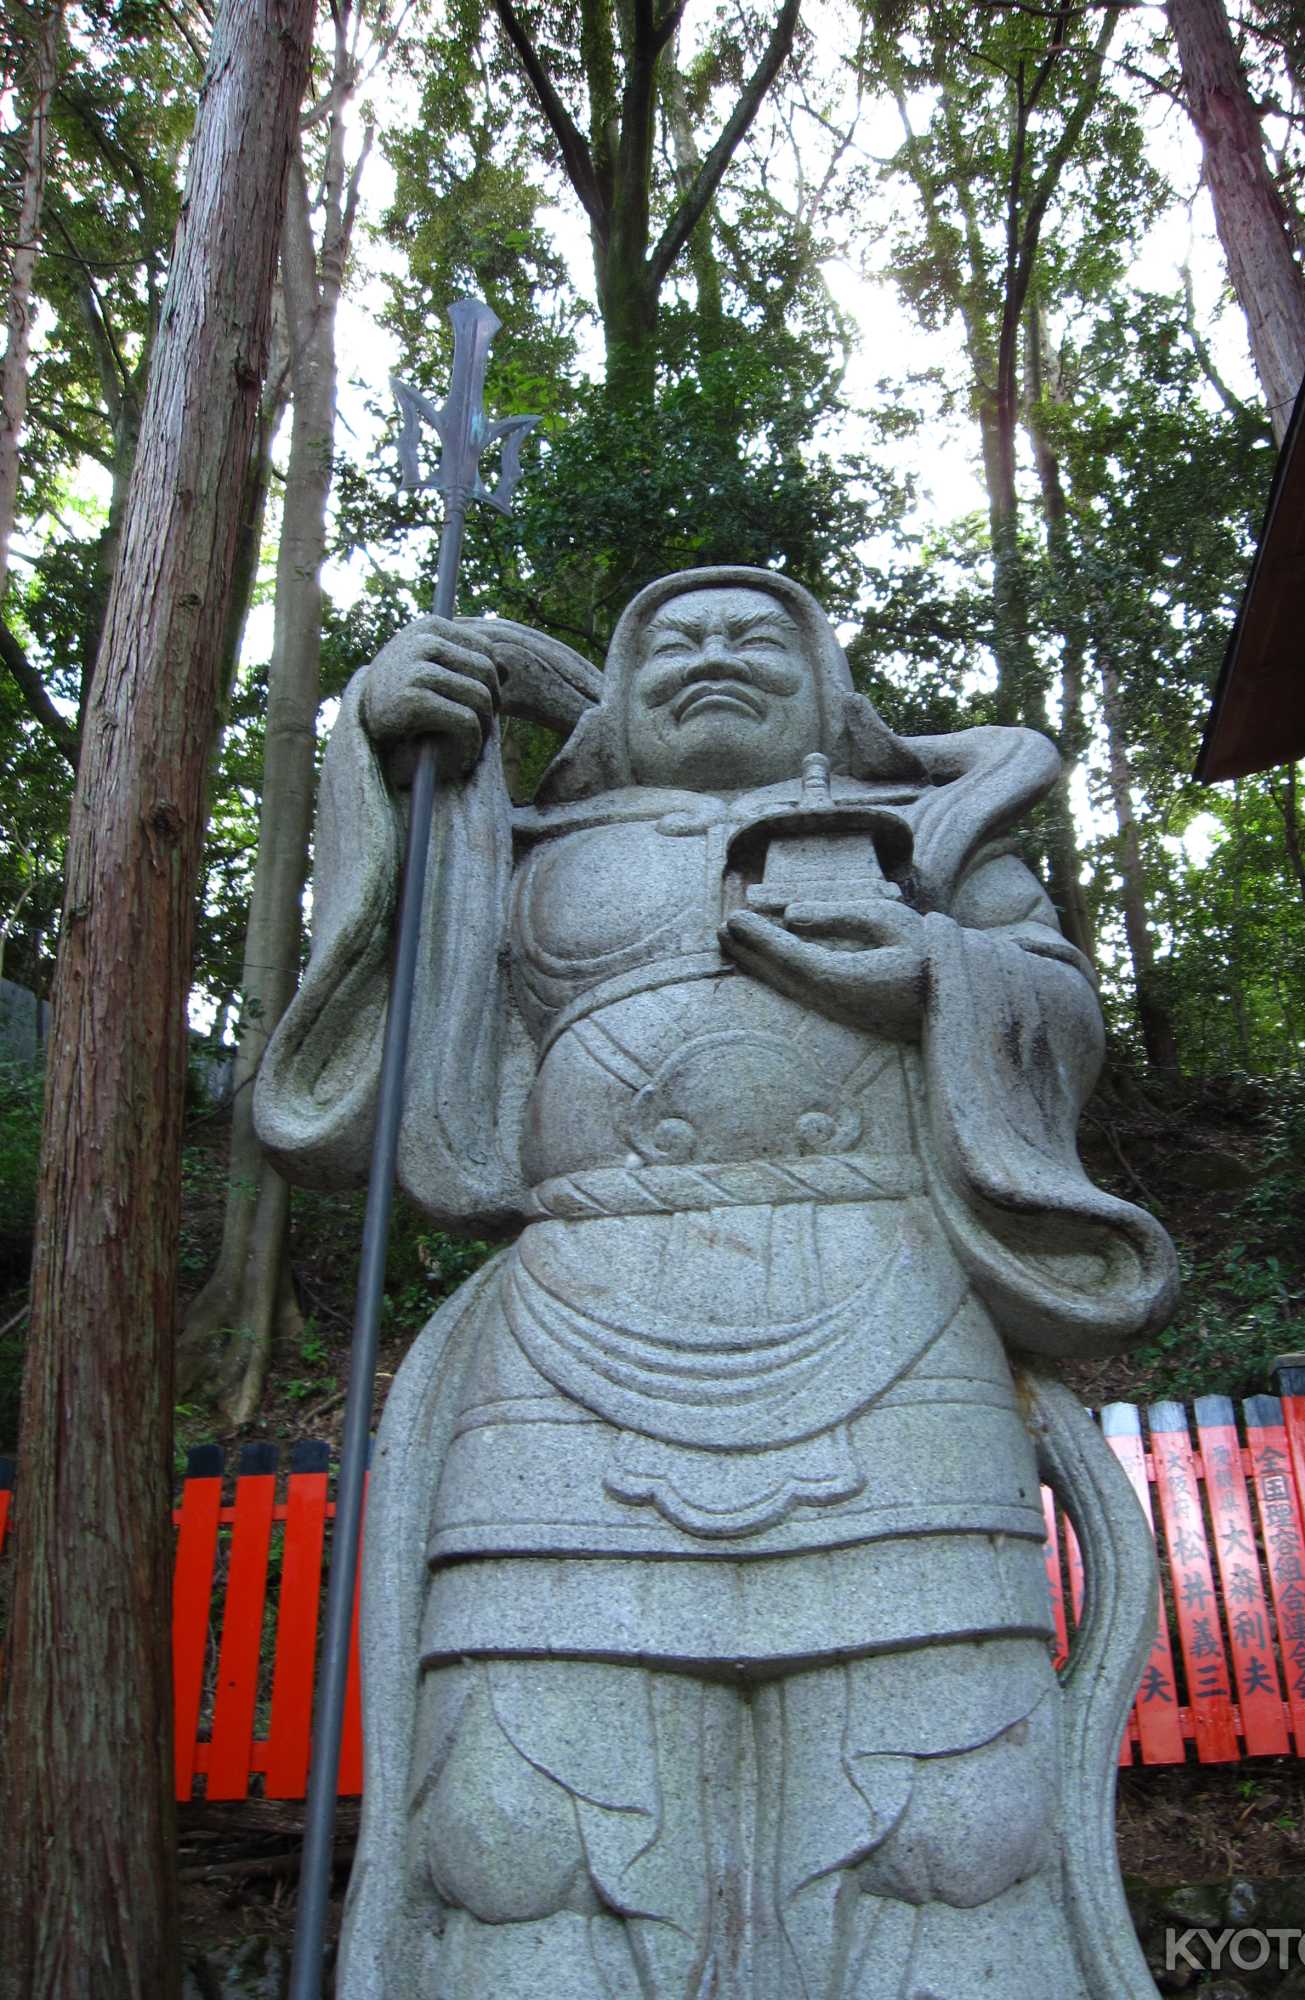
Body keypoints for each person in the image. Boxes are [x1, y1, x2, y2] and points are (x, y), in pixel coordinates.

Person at [257, 567, 1177, 2000]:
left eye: (757, 636)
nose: (712, 655)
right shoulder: (520, 845)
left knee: (950, 1823)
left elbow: (1056, 1008)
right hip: (572, 1337)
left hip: (896, 1324)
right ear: (614, 701)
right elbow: (382, 1064)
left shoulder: (935, 834)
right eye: (671, 641)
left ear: (829, 690)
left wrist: (933, 972)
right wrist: (386, 761)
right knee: (517, 1831)